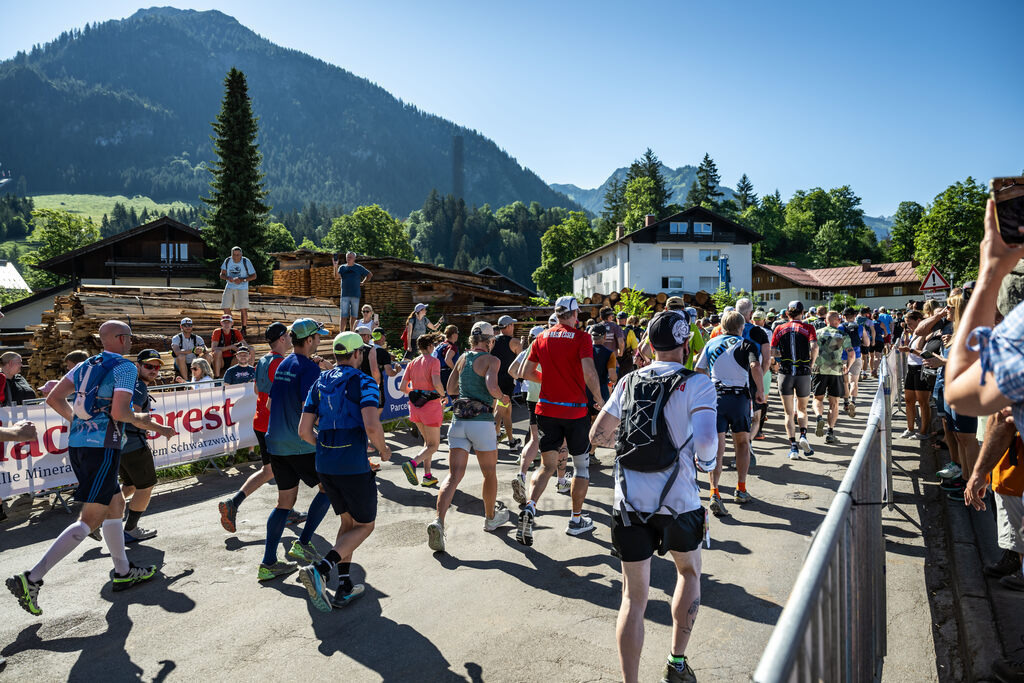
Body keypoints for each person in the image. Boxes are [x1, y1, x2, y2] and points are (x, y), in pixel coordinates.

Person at [6, 321, 176, 616]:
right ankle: (31, 578)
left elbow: (53, 397)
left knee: (115, 503)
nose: (130, 342)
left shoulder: (85, 365)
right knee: (90, 518)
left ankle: (123, 571)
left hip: (80, 444)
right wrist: (150, 422)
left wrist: (78, 422)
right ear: (122, 339)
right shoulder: (124, 367)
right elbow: (120, 412)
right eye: (130, 337)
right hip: (104, 446)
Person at [589, 309, 718, 683]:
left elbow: (598, 436)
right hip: (679, 501)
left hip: (629, 503)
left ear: (649, 342)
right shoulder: (697, 383)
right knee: (689, 572)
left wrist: (627, 444)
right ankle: (676, 664)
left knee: (633, 598)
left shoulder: (629, 381)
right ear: (685, 342)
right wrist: (706, 463)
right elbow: (708, 441)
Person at [297, 332, 390, 611]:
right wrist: (384, 450)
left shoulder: (319, 381)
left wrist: (327, 447)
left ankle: (345, 585)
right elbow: (372, 426)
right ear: (358, 354)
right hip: (352, 463)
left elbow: (304, 431)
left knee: (348, 523)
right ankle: (322, 569)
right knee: (365, 525)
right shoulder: (365, 382)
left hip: (325, 463)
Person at [517, 296, 605, 545]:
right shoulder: (581, 337)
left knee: (547, 466)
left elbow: (525, 372)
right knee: (582, 467)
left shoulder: (541, 337)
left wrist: (550, 382)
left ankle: (530, 508)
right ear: (574, 313)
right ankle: (576, 520)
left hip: (546, 410)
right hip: (575, 411)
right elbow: (589, 371)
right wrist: (599, 398)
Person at [259, 318, 335, 581]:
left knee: (284, 503)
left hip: (276, 443)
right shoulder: (309, 369)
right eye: (319, 337)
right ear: (310, 340)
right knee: (329, 488)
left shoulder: (282, 365)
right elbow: (309, 408)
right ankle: (302, 544)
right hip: (299, 444)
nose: (321, 340)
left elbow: (269, 406)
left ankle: (268, 563)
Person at [426, 322, 510, 552]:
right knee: (489, 473)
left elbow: (451, 387)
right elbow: (492, 386)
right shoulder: (492, 360)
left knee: (454, 476)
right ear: (489, 341)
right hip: (481, 422)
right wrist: (503, 397)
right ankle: (491, 518)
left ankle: (438, 522)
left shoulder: (462, 357)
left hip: (458, 421)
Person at [219, 323, 305, 532]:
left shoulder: (264, 360)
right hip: (275, 425)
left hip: (261, 422)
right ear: (283, 338)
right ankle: (285, 512)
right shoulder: (280, 363)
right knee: (291, 470)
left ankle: (234, 503)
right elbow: (275, 399)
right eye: (288, 334)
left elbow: (258, 389)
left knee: (269, 471)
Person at [695, 311, 764, 516]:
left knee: (717, 446)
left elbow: (699, 370)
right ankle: (740, 489)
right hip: (739, 399)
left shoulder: (711, 343)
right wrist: (760, 390)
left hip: (716, 398)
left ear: (722, 326)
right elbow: (755, 365)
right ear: (741, 327)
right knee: (742, 443)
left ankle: (714, 492)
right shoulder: (747, 344)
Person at [509, 326, 570, 501]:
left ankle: (521, 474)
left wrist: (529, 380)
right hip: (552, 397)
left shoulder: (530, 347)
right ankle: (560, 480)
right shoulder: (554, 344)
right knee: (562, 440)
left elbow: (513, 371)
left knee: (535, 439)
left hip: (532, 397)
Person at [119, 349, 164, 543]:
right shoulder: (138, 387)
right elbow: (134, 417)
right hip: (133, 444)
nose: (153, 370)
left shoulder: (130, 384)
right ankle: (130, 529)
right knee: (146, 486)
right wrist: (162, 429)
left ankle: (98, 520)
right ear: (137, 366)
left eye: (156, 367)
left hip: (119, 444)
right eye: (148, 366)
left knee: (130, 485)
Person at [771, 301, 818, 459]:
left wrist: (780, 359)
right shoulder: (808, 328)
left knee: (788, 413)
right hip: (803, 372)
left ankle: (793, 448)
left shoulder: (779, 328)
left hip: (785, 372)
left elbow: (772, 351)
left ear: (786, 314)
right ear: (802, 312)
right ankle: (803, 435)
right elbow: (814, 347)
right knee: (802, 410)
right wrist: (811, 362)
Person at [400, 332, 446, 488]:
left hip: (415, 408)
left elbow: (402, 387)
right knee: (434, 445)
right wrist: (443, 394)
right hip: (431, 408)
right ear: (429, 346)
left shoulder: (412, 362)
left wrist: (416, 393)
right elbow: (436, 382)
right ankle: (412, 463)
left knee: (428, 443)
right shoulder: (434, 361)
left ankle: (427, 476)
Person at [811, 311, 854, 445]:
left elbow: (813, 348)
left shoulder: (817, 333)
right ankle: (830, 431)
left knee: (817, 398)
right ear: (838, 321)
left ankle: (819, 417)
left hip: (819, 369)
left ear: (826, 321)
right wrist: (848, 366)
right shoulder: (842, 334)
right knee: (834, 402)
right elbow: (851, 354)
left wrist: (812, 363)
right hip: (836, 370)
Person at [897, 310, 932, 439]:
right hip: (911, 368)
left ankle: (924, 431)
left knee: (923, 402)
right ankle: (910, 428)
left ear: (919, 321)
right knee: (908, 400)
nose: (909, 327)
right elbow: (910, 347)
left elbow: (927, 353)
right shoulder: (914, 333)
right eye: (907, 324)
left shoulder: (925, 333)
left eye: (911, 324)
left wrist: (910, 350)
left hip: (921, 368)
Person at [491, 315, 522, 451]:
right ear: (509, 326)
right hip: (507, 381)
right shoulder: (515, 342)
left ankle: (511, 441)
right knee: (500, 411)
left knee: (507, 412)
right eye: (513, 325)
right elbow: (521, 361)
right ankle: (491, 442)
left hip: (493, 379)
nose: (514, 327)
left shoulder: (492, 341)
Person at [332, 252, 372, 332]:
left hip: (355, 295)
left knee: (354, 316)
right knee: (343, 316)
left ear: (354, 258)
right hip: (344, 295)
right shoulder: (342, 267)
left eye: (350, 257)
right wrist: (335, 266)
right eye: (347, 257)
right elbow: (336, 276)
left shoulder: (358, 267)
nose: (349, 258)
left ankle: (352, 333)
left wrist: (363, 282)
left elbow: (369, 275)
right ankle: (341, 333)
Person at [220, 246, 256, 332]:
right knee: (225, 306)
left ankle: (243, 329)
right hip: (229, 286)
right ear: (231, 255)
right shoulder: (228, 260)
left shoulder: (246, 261)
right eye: (234, 255)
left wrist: (242, 280)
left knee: (243, 308)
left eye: (238, 255)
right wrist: (228, 278)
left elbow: (254, 276)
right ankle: (231, 328)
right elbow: (221, 275)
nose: (236, 257)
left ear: (241, 255)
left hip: (242, 287)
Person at [839, 307, 868, 409]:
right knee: (854, 381)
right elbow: (867, 343)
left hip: (843, 357)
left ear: (843, 316)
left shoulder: (840, 327)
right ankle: (853, 402)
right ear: (855, 316)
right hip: (856, 356)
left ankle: (846, 403)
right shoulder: (860, 327)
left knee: (845, 382)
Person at [433, 325, 460, 391]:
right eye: (457, 333)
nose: (458, 335)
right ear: (453, 334)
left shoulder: (440, 345)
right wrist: (455, 370)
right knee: (451, 396)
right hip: (447, 374)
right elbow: (448, 359)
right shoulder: (452, 347)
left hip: (437, 374)